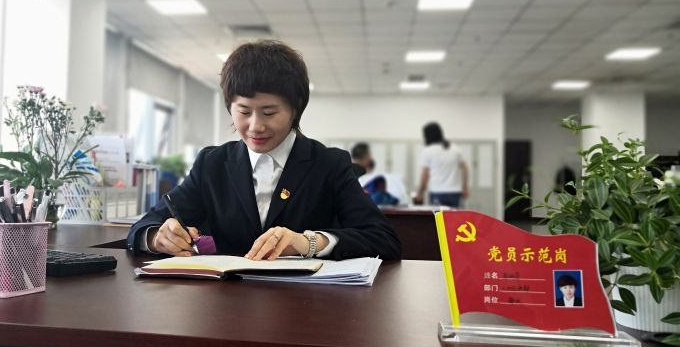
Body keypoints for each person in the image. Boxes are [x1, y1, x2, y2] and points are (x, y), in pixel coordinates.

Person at [126, 40, 402, 261]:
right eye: (244, 112)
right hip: (225, 302)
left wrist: (308, 242)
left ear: (295, 109)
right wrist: (156, 237)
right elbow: (144, 226)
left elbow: (383, 239)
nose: (256, 126)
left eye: (269, 112)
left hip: (305, 303)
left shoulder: (328, 164)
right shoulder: (212, 164)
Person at [413, 122, 469, 207]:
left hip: (438, 192)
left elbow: (425, 175)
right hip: (455, 193)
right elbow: (465, 168)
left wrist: (420, 192)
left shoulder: (428, 151)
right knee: (454, 215)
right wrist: (465, 187)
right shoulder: (456, 149)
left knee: (439, 216)